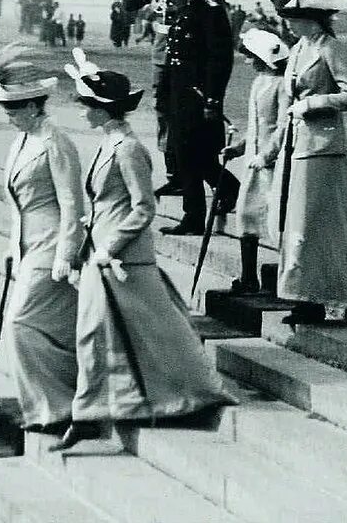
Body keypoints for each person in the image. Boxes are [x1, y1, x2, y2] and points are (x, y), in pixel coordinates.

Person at [52, 54, 233, 452]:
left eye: (87, 105)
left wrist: (110, 246)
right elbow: (106, 201)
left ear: (103, 109)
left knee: (126, 331)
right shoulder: (108, 143)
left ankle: (97, 413)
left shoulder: (129, 149)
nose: (82, 112)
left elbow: (144, 207)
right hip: (101, 254)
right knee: (132, 332)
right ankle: (99, 410)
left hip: (122, 258)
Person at [261, 0, 347, 324]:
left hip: (323, 148)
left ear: (309, 18)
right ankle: (302, 295)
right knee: (295, 225)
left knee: (314, 225)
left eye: (292, 20)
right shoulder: (299, 50)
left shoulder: (332, 49)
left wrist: (314, 103)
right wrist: (270, 151)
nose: (287, 26)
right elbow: (288, 107)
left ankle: (320, 296)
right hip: (296, 147)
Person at [0, 43, 83, 433]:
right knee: (43, 329)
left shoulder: (54, 144)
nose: (7, 116)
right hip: (28, 246)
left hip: (52, 245)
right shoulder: (21, 142)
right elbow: (16, 204)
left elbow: (73, 202)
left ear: (32, 105)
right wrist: (13, 246)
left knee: (23, 324)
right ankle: (54, 404)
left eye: (12, 108)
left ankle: (58, 405)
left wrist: (67, 253)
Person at [121, 0, 237, 231]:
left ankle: (206, 187)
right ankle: (179, 177)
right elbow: (129, 4)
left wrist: (211, 97)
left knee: (192, 140)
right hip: (168, 59)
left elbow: (216, 45)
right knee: (168, 121)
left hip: (193, 70)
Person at [223, 28, 290, 295]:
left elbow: (281, 126)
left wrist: (267, 155)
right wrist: (239, 148)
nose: (246, 61)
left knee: (278, 219)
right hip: (253, 162)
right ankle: (248, 276)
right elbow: (256, 125)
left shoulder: (282, 85)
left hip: (272, 163)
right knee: (247, 214)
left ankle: (286, 278)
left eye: (250, 56)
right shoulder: (259, 82)